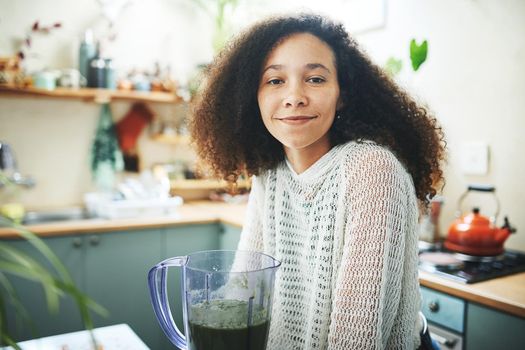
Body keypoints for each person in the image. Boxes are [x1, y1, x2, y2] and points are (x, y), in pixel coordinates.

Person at [190, 13, 446, 350]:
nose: (294, 96)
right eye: (274, 81)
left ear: (342, 94)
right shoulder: (270, 175)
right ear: (251, 97)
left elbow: (358, 341)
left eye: (315, 79)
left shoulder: (373, 170)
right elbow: (244, 292)